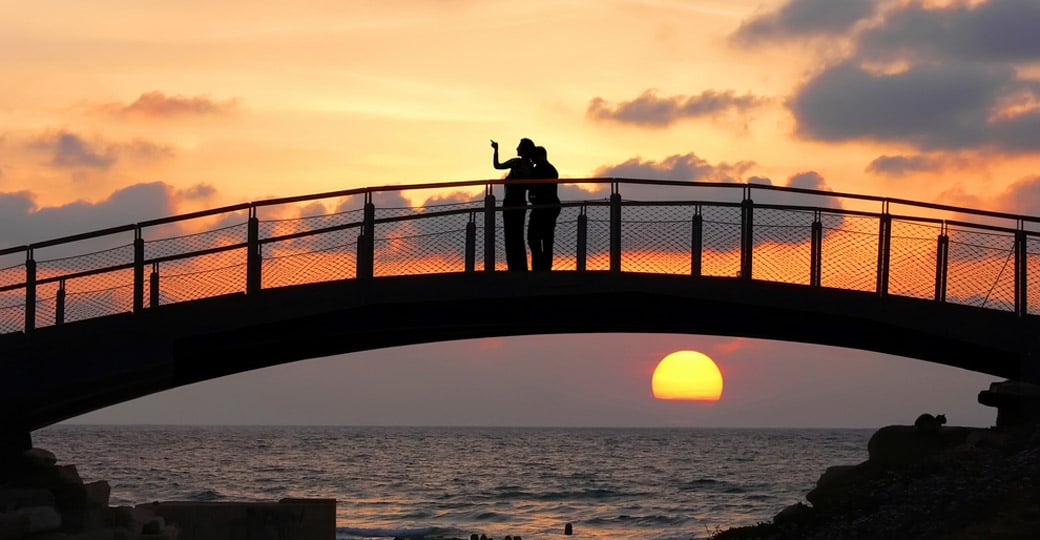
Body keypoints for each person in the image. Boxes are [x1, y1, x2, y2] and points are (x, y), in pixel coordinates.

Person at [491, 138, 535, 271]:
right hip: (520, 204)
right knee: (517, 234)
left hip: (511, 203)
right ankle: (519, 265)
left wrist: (496, 150)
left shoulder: (516, 163)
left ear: (524, 150)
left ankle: (514, 265)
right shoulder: (530, 168)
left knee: (510, 235)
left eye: (519, 147)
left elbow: (497, 165)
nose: (516, 149)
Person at [527, 145, 560, 271]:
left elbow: (534, 185)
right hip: (550, 206)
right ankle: (544, 266)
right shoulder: (551, 169)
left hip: (543, 207)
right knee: (546, 238)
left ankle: (540, 265)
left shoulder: (541, 170)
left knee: (534, 237)